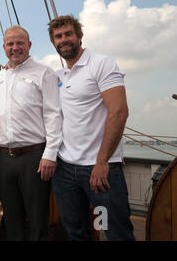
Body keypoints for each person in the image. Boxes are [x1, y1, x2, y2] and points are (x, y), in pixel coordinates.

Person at [48, 15, 135, 241]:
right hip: (65, 169)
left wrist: (102, 161)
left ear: (79, 36)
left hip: (99, 170)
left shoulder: (101, 63)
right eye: (58, 36)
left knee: (114, 231)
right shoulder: (58, 76)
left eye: (68, 34)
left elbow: (119, 112)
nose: (64, 39)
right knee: (76, 232)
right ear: (53, 42)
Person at [0, 25, 62, 240]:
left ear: (29, 45)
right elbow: (2, 104)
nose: (15, 47)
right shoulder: (2, 75)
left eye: (20, 43)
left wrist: (50, 154)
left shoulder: (44, 73)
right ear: (4, 47)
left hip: (33, 157)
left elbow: (54, 114)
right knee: (11, 218)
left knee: (37, 218)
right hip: (3, 157)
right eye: (10, 44)